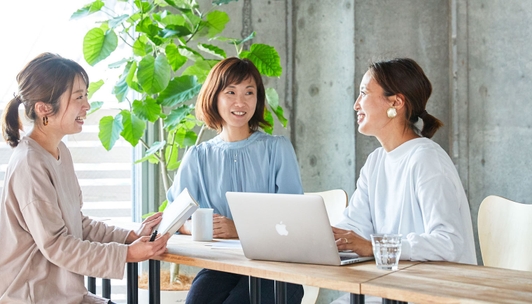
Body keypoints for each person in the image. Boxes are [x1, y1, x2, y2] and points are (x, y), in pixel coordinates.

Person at [0, 52, 170, 304]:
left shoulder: (58, 151)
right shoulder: (29, 164)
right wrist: (126, 254)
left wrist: (128, 236)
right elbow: (57, 245)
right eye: (78, 98)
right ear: (44, 108)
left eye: (85, 96)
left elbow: (77, 223)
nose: (86, 105)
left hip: (64, 296)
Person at [331, 58, 476, 302]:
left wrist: (376, 248)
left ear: (396, 103)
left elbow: (448, 241)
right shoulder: (376, 161)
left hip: (434, 293)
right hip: (391, 288)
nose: (356, 105)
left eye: (364, 93)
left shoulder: (426, 159)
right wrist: (323, 238)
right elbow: (353, 228)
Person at [166, 57, 305, 304]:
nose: (240, 102)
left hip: (276, 269)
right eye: (230, 92)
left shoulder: (277, 149)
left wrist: (238, 229)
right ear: (214, 97)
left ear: (258, 98)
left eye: (249, 92)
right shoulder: (198, 156)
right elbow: (173, 218)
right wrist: (198, 226)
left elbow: (294, 222)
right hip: (221, 267)